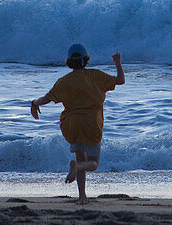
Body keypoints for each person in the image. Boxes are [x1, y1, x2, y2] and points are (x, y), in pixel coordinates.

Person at [30, 43, 124, 203]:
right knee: (92, 163)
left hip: (71, 125)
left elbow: (46, 99)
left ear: (69, 62)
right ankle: (78, 169)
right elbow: (120, 81)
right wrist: (118, 64)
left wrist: (34, 103)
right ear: (86, 60)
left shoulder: (64, 81)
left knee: (80, 157)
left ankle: (82, 196)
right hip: (91, 124)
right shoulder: (96, 76)